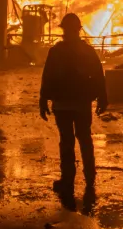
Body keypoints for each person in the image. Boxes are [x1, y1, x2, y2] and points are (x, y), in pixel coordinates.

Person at [39, 13, 108, 199]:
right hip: (80, 103)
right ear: (78, 30)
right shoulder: (86, 51)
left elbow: (47, 77)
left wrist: (43, 100)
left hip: (63, 104)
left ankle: (68, 180)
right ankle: (89, 178)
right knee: (84, 139)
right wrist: (102, 97)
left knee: (67, 142)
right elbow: (99, 76)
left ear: (64, 30)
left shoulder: (56, 51)